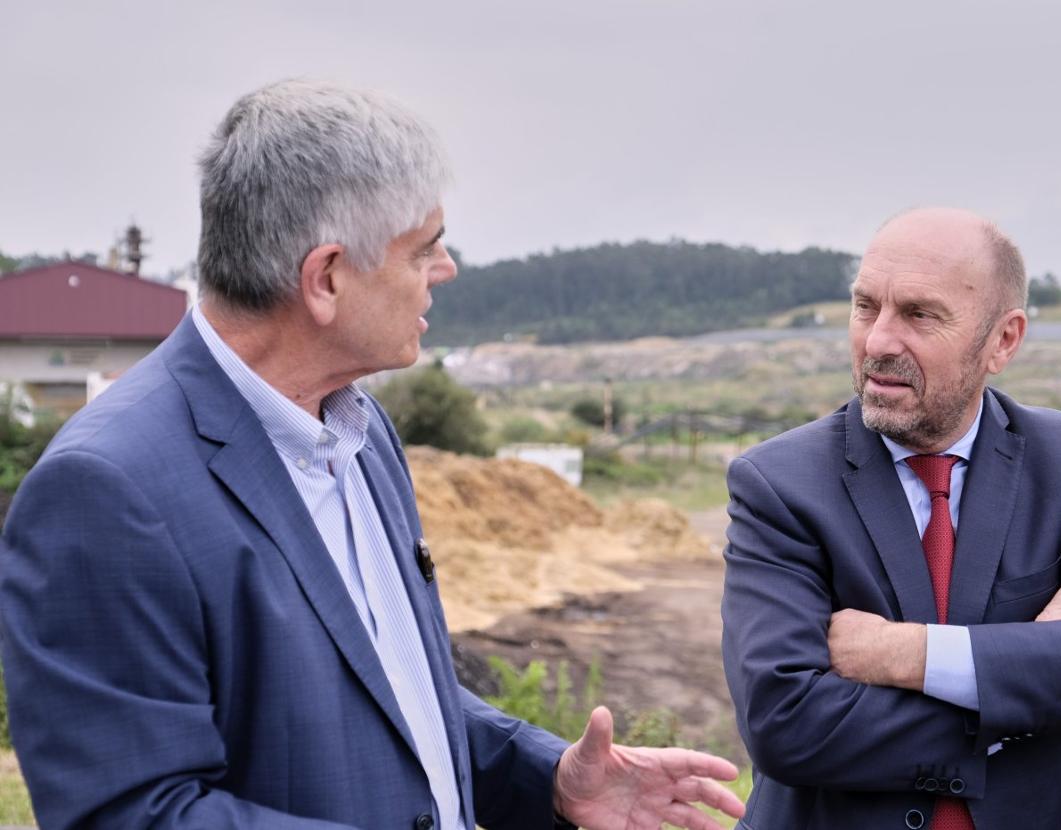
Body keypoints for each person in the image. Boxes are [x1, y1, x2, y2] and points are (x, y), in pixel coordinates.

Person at [0, 80, 745, 830]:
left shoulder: (360, 431)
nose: (446, 268)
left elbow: (383, 690)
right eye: (424, 248)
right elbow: (131, 814)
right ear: (325, 278)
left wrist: (546, 776)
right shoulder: (108, 490)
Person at [720, 207, 1061, 829]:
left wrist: (908, 655)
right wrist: (1035, 663)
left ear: (1003, 341)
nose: (878, 340)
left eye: (919, 314)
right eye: (865, 307)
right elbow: (787, 725)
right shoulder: (778, 484)